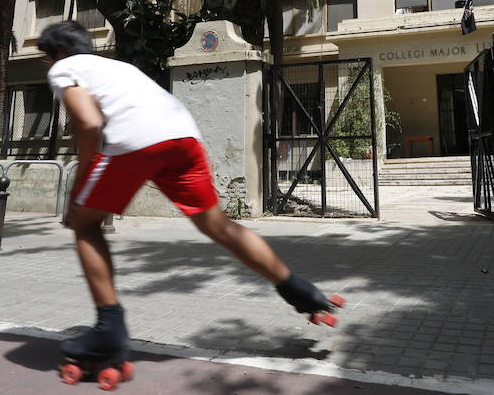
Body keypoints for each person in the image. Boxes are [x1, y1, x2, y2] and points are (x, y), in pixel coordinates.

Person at [38, 21, 337, 368]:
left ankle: (108, 332)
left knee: (85, 225)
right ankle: (300, 291)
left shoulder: (64, 67)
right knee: (217, 226)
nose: (47, 66)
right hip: (182, 135)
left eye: (46, 59)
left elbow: (88, 124)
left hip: (134, 138)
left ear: (57, 53)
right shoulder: (118, 67)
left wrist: (79, 194)